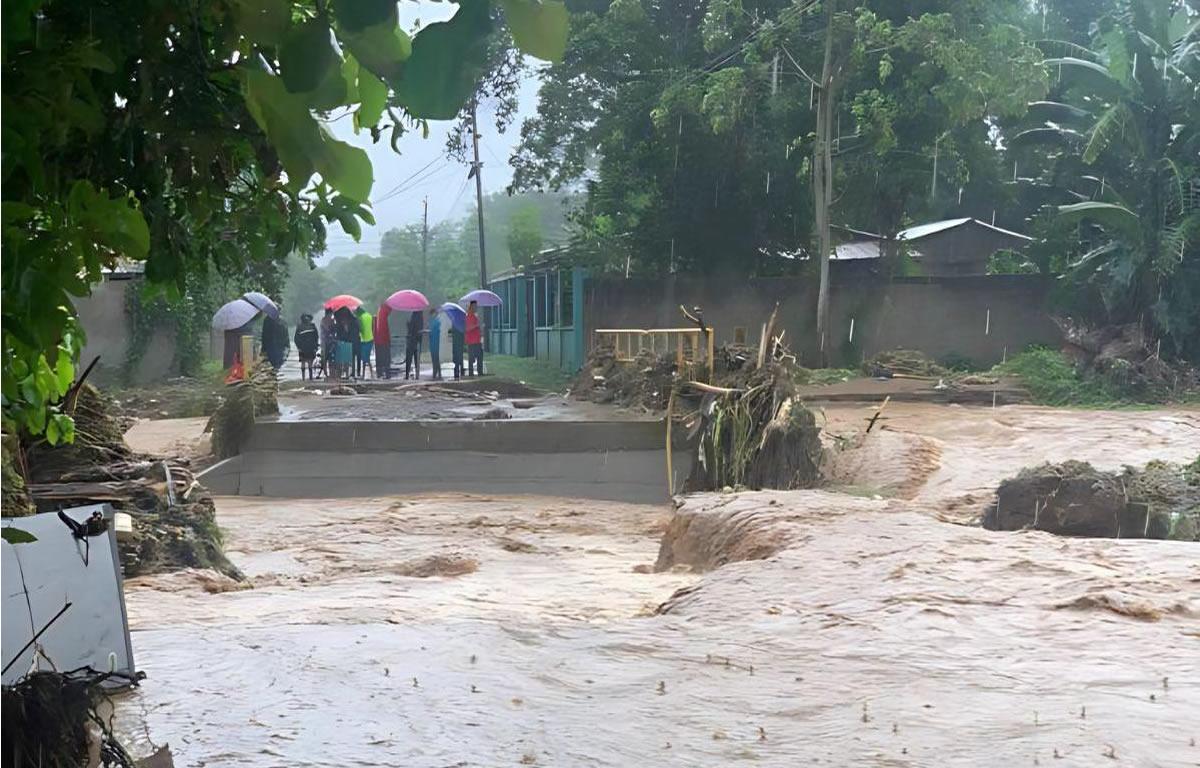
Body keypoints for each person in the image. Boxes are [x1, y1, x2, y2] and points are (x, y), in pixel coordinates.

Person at [294, 313, 319, 381]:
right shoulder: (312, 326)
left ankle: (303, 378)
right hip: (310, 348)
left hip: (302, 348)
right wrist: (315, 347)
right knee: (310, 362)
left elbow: (296, 338)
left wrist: (299, 347)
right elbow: (316, 337)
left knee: (303, 362)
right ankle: (310, 378)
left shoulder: (299, 326)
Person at [465, 299, 483, 376]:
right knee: (472, 358)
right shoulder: (469, 316)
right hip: (472, 341)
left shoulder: (474, 316)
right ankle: (471, 373)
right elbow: (468, 328)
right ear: (471, 306)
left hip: (477, 340)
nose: (476, 308)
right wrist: (476, 326)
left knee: (479, 356)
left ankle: (480, 372)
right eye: (475, 306)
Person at [404, 309, 424, 380]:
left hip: (412, 340)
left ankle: (407, 375)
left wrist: (408, 324)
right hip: (418, 341)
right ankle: (417, 375)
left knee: (409, 359)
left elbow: (411, 329)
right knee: (416, 359)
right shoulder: (421, 317)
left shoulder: (414, 316)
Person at [356, 306, 374, 379]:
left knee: (363, 359)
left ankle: (363, 375)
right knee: (367, 358)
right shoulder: (369, 316)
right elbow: (372, 327)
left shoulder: (360, 318)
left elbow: (361, 329)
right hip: (370, 339)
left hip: (363, 340)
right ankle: (371, 374)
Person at [374, 310, 391, 379]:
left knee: (379, 358)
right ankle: (386, 373)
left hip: (378, 341)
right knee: (386, 358)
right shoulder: (383, 318)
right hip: (384, 341)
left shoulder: (378, 317)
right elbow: (386, 331)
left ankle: (380, 373)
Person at [427, 307, 442, 381]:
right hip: (432, 341)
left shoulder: (437, 321)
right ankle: (437, 372)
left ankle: (436, 372)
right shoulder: (432, 321)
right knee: (434, 358)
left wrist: (429, 330)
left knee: (436, 358)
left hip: (436, 341)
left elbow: (432, 330)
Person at [319, 308, 335, 378]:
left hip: (331, 341)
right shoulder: (323, 320)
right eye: (331, 313)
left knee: (331, 357)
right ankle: (325, 373)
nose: (331, 315)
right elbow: (327, 329)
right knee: (325, 357)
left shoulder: (332, 320)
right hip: (324, 341)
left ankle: (331, 372)